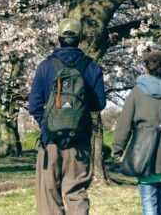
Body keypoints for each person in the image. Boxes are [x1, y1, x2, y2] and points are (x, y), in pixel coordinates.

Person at [27, 17, 106, 215]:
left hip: (50, 143)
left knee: (48, 198)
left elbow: (34, 106)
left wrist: (49, 125)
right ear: (80, 38)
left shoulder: (45, 66)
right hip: (79, 143)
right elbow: (100, 104)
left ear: (59, 37)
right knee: (77, 193)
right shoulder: (92, 66)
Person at [113, 50, 161, 215]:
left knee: (149, 201)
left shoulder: (137, 91)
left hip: (144, 156)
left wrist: (118, 147)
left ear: (147, 68)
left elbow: (125, 122)